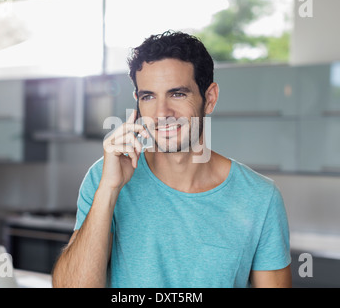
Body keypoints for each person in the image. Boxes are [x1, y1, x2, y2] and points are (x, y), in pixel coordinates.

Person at [52, 31, 291, 288]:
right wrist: (109, 190)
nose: (162, 113)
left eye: (177, 94)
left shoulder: (259, 198)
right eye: (149, 96)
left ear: (209, 98)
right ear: (138, 103)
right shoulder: (104, 178)